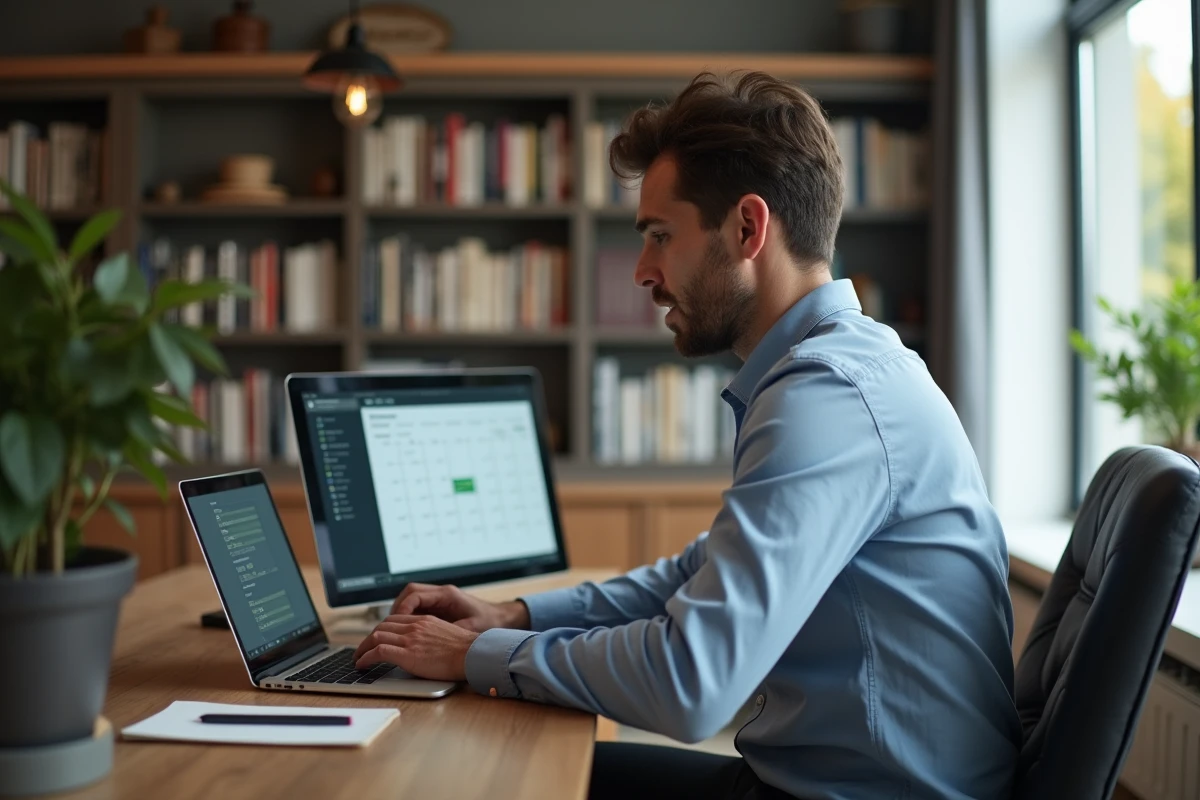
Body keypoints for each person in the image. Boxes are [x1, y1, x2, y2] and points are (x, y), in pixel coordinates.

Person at [353, 71, 1021, 800]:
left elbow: (691, 682)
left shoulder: (826, 399)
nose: (643, 272)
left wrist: (478, 653)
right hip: (827, 784)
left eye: (660, 237)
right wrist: (512, 616)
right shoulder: (843, 369)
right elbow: (696, 574)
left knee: (483, 781)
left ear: (748, 229)